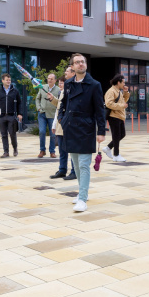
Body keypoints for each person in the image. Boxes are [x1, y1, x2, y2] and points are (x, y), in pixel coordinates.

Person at [57, 53, 105, 212]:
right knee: (76, 164)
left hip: (86, 128)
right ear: (72, 66)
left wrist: (101, 131)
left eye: (83, 62)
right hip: (70, 127)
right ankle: (81, 192)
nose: (80, 64)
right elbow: (63, 103)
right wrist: (61, 119)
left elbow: (100, 109)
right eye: (77, 62)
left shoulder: (94, 85)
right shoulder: (69, 83)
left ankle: (83, 199)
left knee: (84, 165)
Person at [50, 67, 76, 180]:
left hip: (70, 125)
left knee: (72, 150)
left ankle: (74, 171)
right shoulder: (63, 92)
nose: (65, 73)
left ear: (73, 73)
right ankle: (62, 170)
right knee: (62, 150)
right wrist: (53, 99)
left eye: (67, 71)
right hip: (61, 126)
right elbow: (60, 107)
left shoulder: (74, 88)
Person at [0, 73, 24, 158]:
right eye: (7, 80)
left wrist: (20, 114)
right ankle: (6, 152)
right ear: (2, 80)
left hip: (11, 116)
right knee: (3, 135)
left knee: (12, 133)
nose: (8, 81)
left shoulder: (15, 91)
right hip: (1, 116)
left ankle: (15, 149)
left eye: (9, 80)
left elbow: (19, 103)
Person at [103, 74, 131, 162]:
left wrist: (126, 92)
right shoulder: (111, 91)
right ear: (118, 82)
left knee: (122, 134)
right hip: (113, 116)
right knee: (116, 136)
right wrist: (122, 106)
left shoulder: (118, 91)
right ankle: (116, 155)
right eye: (123, 82)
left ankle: (108, 148)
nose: (124, 84)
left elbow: (124, 100)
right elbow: (109, 104)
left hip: (119, 116)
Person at [35, 73, 61, 158]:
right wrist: (38, 108)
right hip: (42, 113)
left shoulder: (58, 90)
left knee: (52, 134)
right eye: (48, 78)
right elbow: (37, 98)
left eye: (51, 79)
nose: (49, 80)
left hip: (52, 114)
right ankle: (42, 150)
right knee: (42, 131)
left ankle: (52, 151)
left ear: (55, 80)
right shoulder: (42, 87)